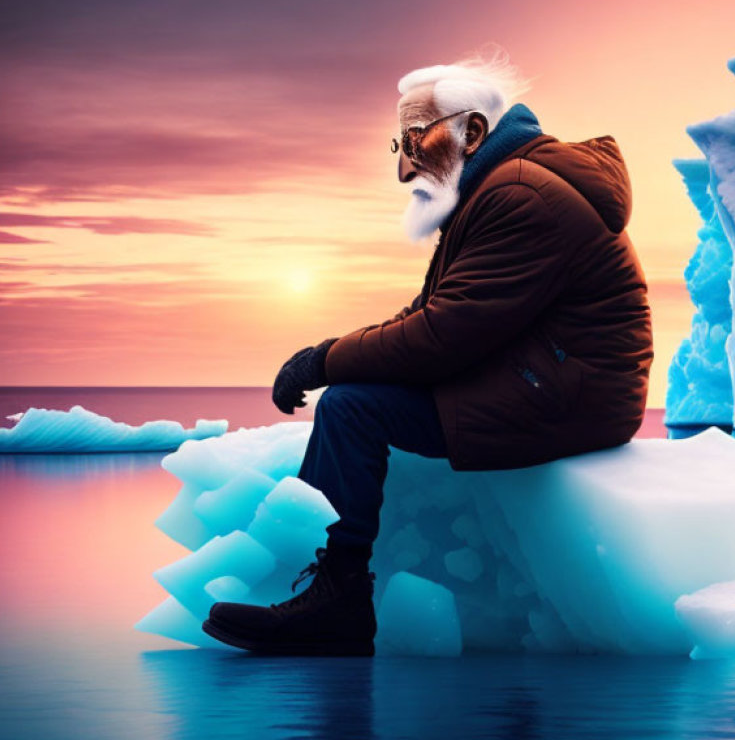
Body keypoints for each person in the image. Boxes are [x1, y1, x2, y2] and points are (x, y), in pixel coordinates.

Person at [202, 50, 653, 655]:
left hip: (566, 397)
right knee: (355, 398)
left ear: (472, 132)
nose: (405, 168)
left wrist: (324, 359)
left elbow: (442, 337)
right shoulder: (497, 189)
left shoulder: (520, 197)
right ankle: (332, 587)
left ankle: (339, 599)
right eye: (400, 146)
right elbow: (429, 317)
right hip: (545, 379)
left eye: (416, 139)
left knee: (352, 408)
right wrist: (331, 354)